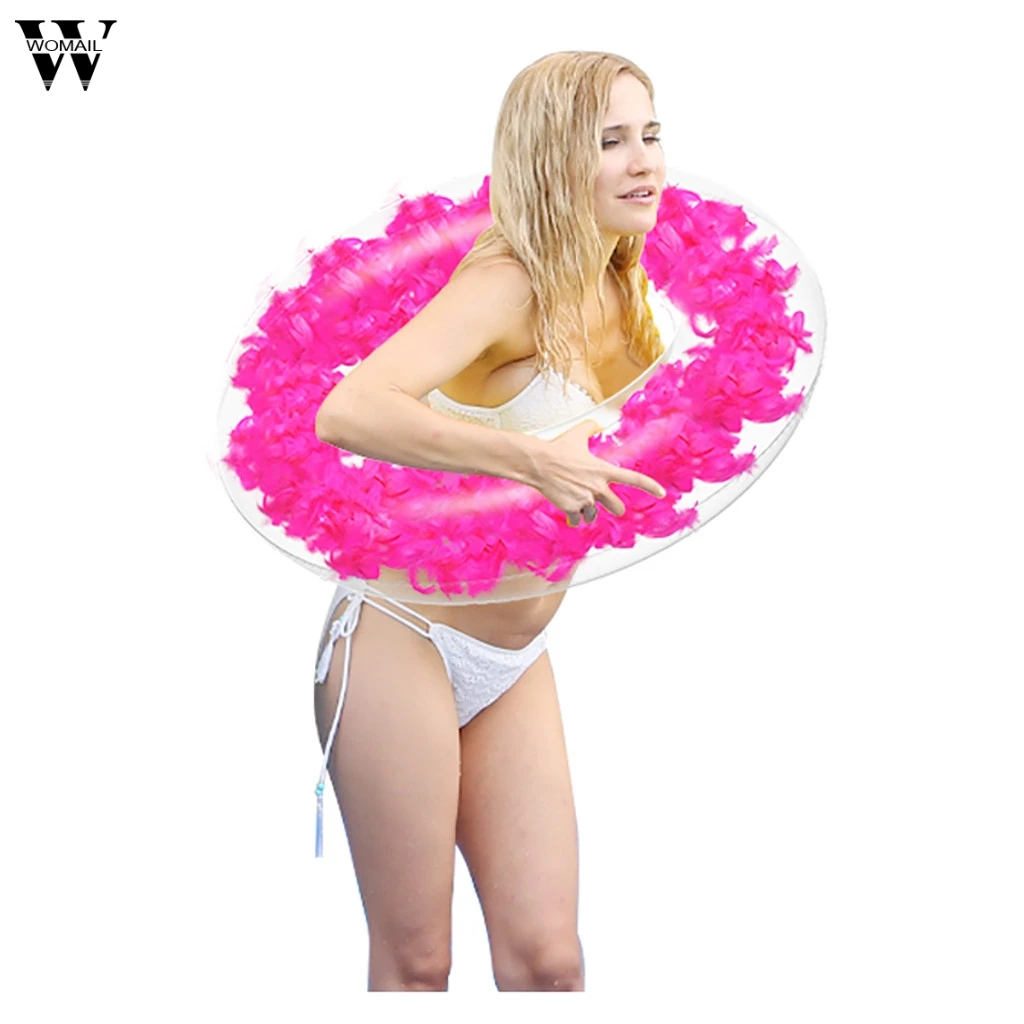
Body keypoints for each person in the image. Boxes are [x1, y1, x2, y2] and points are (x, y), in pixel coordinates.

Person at [312, 50, 667, 992]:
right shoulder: (510, 281)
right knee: (420, 960)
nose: (644, 161)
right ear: (554, 157)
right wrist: (530, 460)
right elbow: (350, 408)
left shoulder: (624, 284)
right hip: (405, 635)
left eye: (650, 133)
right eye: (611, 141)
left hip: (513, 656)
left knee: (549, 961)